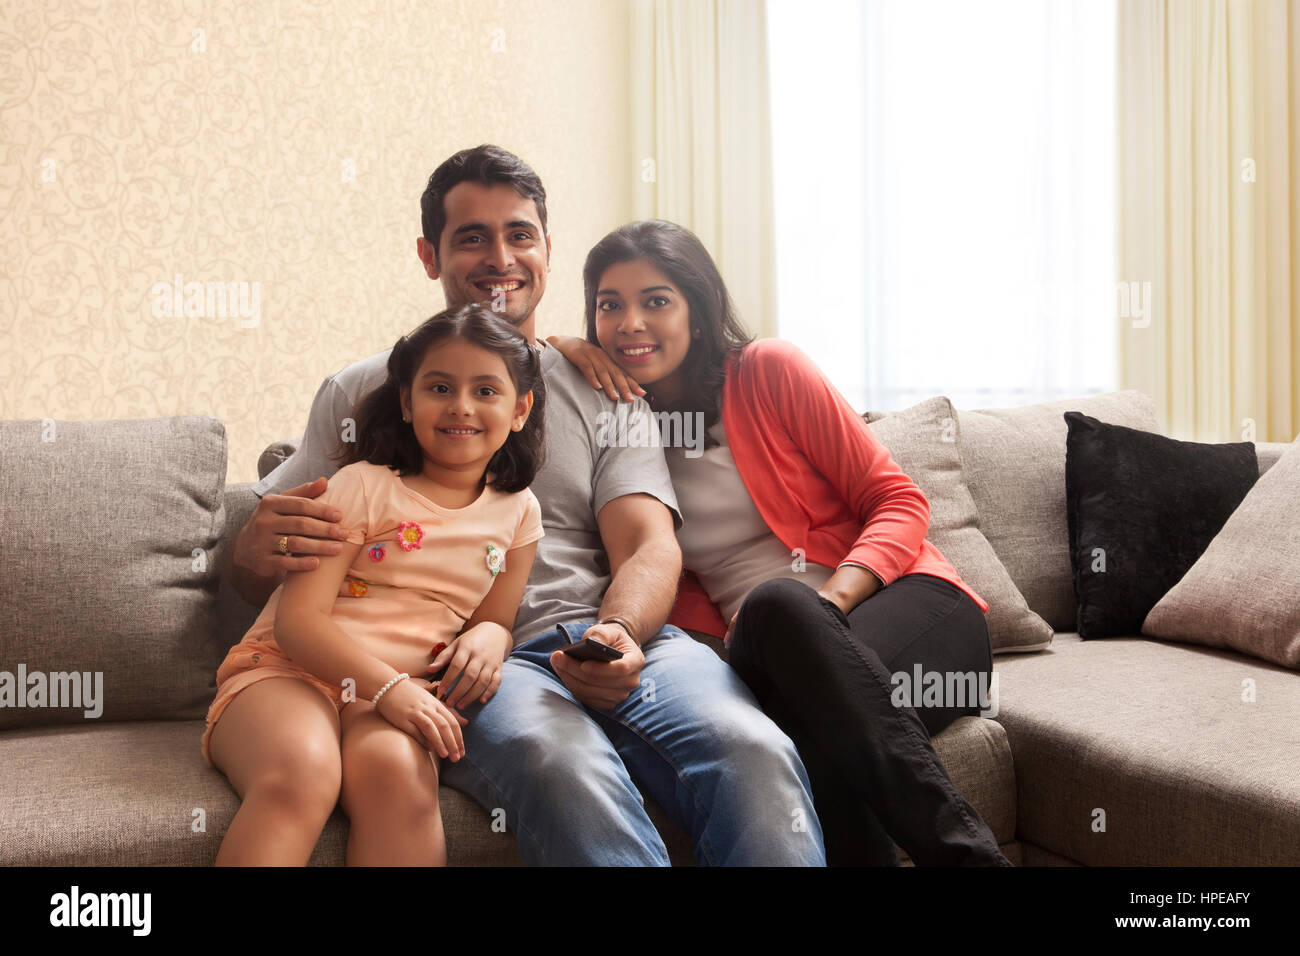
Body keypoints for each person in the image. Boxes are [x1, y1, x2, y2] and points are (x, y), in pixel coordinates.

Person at [226, 145, 825, 866]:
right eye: (470, 237)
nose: (499, 256)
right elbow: (269, 561)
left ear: (547, 250)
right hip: (467, 663)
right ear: (428, 255)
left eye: (519, 234)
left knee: (752, 747)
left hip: (614, 632)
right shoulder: (365, 392)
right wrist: (251, 548)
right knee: (561, 765)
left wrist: (621, 632)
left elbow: (648, 545)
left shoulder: (605, 387)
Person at [548, 218, 1012, 866]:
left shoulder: (768, 371)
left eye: (655, 301)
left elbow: (899, 500)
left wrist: (826, 606)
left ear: (698, 311)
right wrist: (565, 351)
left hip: (916, 618)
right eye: (609, 305)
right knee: (789, 715)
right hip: (769, 654)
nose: (630, 322)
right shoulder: (620, 428)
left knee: (781, 614)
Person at [205, 304, 544, 866]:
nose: (462, 405)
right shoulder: (361, 486)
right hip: (286, 672)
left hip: (391, 698)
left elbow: (496, 618)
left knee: (403, 779)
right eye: (440, 387)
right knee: (303, 772)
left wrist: (491, 640)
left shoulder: (520, 513)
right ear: (407, 402)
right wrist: (390, 688)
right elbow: (299, 622)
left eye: (486, 391)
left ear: (520, 409)